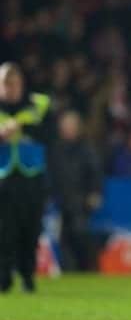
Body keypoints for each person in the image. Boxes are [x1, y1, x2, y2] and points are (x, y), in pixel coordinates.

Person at [0, 62, 53, 292]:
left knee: (31, 228)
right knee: (4, 230)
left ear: (21, 84)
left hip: (32, 176)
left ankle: (27, 276)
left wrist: (21, 128)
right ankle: (4, 278)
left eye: (14, 83)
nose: (10, 88)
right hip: (3, 176)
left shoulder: (38, 104)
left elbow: (50, 134)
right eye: (5, 84)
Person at [49, 110, 103, 271]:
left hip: (81, 201)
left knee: (80, 234)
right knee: (63, 239)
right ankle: (68, 269)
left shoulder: (87, 150)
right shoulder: (54, 150)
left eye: (72, 126)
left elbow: (95, 173)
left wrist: (95, 193)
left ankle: (85, 268)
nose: (69, 129)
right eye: (66, 126)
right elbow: (51, 175)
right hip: (61, 202)